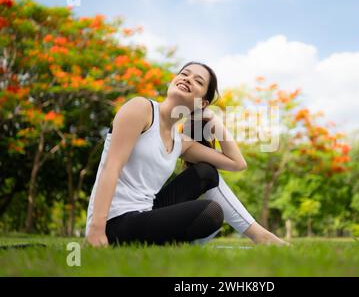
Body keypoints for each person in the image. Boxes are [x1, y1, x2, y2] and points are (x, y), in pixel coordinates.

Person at [84, 61, 289, 247]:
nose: (188, 79)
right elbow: (111, 168)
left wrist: (214, 121)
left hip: (145, 214)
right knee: (210, 212)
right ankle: (168, 245)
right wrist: (95, 231)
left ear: (203, 103)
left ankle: (261, 236)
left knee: (205, 172)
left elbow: (237, 163)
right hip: (114, 221)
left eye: (198, 81)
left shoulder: (180, 141)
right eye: (185, 74)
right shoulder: (141, 109)